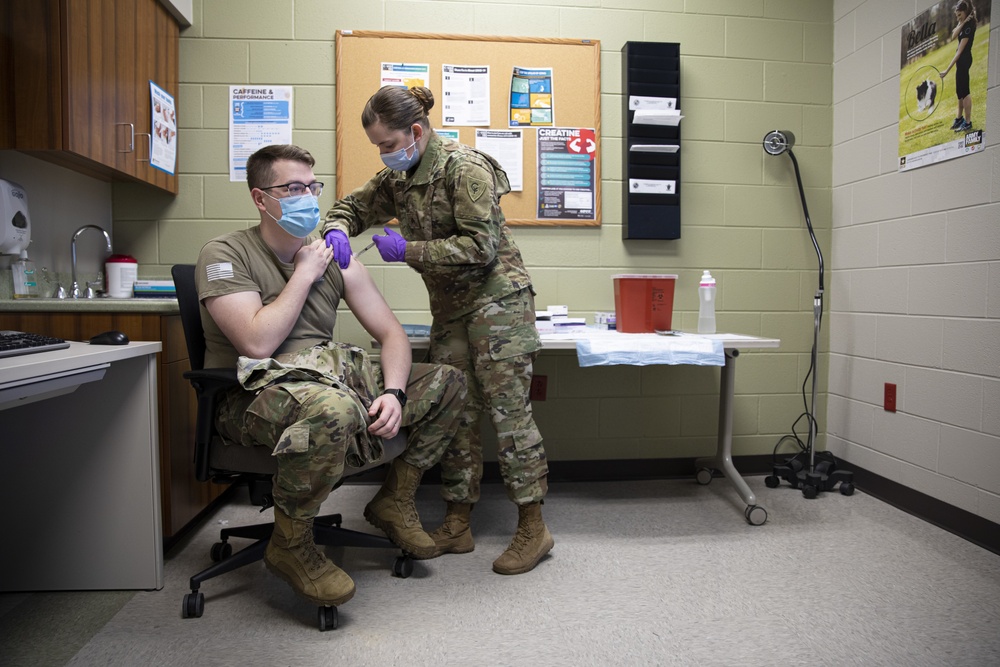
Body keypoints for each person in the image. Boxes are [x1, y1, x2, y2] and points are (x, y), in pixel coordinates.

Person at [194, 144, 467, 609]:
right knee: (334, 410)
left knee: (448, 381)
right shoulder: (225, 254)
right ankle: (292, 543)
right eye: (293, 188)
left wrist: (396, 393)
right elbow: (256, 343)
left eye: (312, 186)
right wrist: (304, 273)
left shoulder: (333, 254)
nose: (308, 197)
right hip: (255, 392)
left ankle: (394, 500)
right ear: (262, 199)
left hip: (326, 377)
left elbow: (391, 334)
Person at [321, 85, 553, 576]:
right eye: (378, 146)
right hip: (450, 308)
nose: (384, 154)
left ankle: (533, 527)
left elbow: (480, 247)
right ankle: (457, 521)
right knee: (457, 414)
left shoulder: (465, 169)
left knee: (507, 415)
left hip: (498, 305)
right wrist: (337, 229)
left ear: (416, 132)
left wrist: (407, 250)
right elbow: (352, 206)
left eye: (388, 144)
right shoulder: (398, 176)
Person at [941, 1, 978, 132]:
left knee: (965, 91)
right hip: (960, 61)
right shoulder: (963, 23)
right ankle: (959, 118)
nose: (958, 18)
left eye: (960, 15)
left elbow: (959, 52)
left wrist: (947, 70)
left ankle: (967, 122)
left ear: (966, 12)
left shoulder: (969, 27)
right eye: (957, 16)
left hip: (964, 59)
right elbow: (953, 35)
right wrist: (961, 22)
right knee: (959, 92)